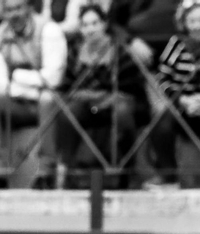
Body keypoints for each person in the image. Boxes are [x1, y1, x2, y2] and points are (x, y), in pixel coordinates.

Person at [52, 4, 148, 187]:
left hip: (116, 101)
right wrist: (92, 96)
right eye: (85, 25)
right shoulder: (74, 52)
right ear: (80, 28)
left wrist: (103, 95)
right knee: (67, 112)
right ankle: (68, 170)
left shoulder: (120, 50)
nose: (90, 29)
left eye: (95, 23)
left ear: (104, 24)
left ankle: (126, 170)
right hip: (88, 104)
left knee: (122, 112)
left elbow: (131, 86)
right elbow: (68, 86)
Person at [146, 0, 200, 187]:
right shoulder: (176, 44)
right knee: (161, 115)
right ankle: (168, 175)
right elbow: (163, 77)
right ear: (184, 23)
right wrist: (182, 100)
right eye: (192, 21)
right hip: (184, 106)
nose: (198, 26)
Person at [0, 0, 68, 188]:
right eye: (9, 10)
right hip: (18, 101)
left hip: (52, 100)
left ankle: (46, 171)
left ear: (29, 8)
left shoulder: (49, 30)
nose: (14, 14)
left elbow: (53, 79)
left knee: (47, 99)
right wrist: (31, 84)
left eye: (18, 8)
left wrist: (18, 76)